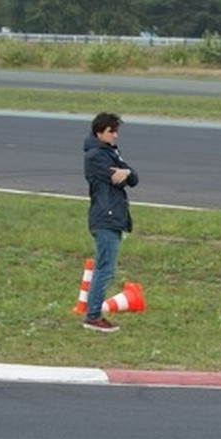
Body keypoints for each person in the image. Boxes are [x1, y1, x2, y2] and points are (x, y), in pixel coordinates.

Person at [82, 112, 139, 333]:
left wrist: (125, 171)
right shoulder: (95, 155)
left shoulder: (112, 152)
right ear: (99, 132)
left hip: (114, 216)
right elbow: (115, 178)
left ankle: (93, 314)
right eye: (111, 131)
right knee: (104, 269)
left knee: (105, 267)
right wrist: (124, 173)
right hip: (105, 217)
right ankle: (93, 316)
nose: (115, 135)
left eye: (116, 131)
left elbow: (132, 178)